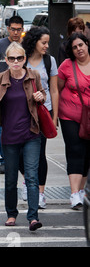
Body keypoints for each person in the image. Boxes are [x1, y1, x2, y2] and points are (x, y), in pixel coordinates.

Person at [0, 42, 45, 231]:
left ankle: (33, 218)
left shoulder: (33, 75)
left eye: (20, 58)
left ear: (25, 59)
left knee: (32, 177)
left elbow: (42, 94)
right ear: (6, 60)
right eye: (12, 58)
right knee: (10, 178)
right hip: (9, 136)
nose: (16, 61)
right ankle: (11, 213)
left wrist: (40, 97)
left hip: (31, 134)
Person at [21, 26, 59, 209]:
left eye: (47, 43)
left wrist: (55, 117)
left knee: (40, 153)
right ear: (34, 42)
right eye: (43, 42)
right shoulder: (22, 59)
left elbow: (54, 90)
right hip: (23, 113)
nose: (46, 46)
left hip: (44, 111)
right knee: (20, 152)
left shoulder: (49, 61)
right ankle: (28, 183)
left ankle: (40, 193)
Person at [57, 32, 90, 209]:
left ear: (87, 44)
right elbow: (58, 88)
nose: (79, 49)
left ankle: (82, 190)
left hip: (89, 117)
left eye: (81, 45)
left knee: (87, 154)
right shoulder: (66, 66)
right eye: (75, 47)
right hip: (69, 115)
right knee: (75, 150)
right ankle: (74, 193)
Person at [0, 15, 24, 175]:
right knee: (3, 126)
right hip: (3, 93)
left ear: (23, 30)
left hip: (22, 93)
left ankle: (20, 159)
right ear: (8, 29)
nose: (16, 32)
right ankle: (5, 160)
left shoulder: (26, 47)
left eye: (19, 29)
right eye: (13, 29)